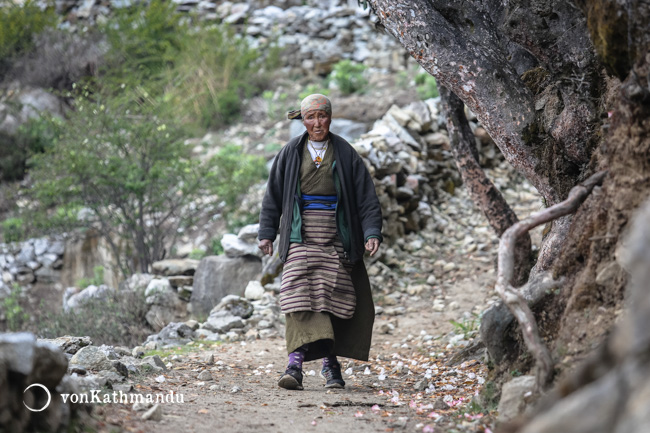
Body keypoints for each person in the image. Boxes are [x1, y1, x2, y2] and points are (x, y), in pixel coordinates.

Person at [258, 94, 383, 391]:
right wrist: (267, 234)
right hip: (299, 236)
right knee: (296, 293)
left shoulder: (345, 153)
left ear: (330, 117)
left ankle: (330, 365)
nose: (317, 123)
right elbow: (273, 196)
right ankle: (295, 363)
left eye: (322, 116)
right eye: (310, 117)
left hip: (336, 237)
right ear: (302, 121)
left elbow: (367, 198)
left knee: (330, 296)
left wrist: (371, 233)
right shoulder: (290, 153)